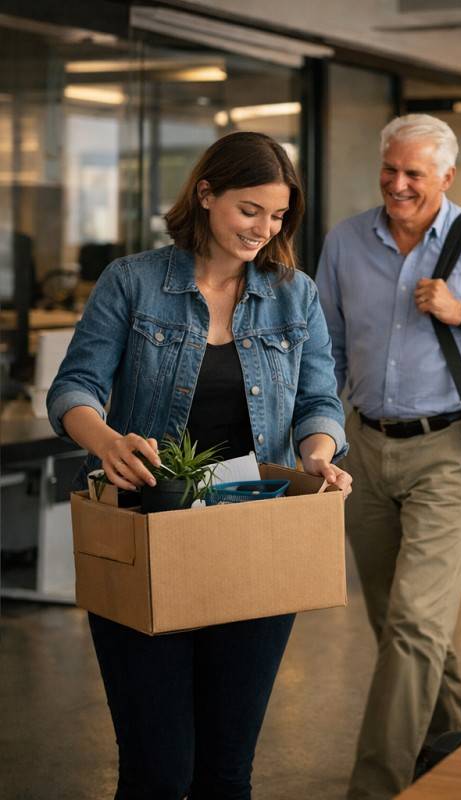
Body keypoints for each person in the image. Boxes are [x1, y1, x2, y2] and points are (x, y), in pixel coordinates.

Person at [47, 131, 351, 796]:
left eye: (277, 217)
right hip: (147, 528)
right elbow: (73, 390)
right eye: (250, 210)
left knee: (226, 769)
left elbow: (319, 399)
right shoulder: (132, 282)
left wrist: (319, 455)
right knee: (157, 770)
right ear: (206, 193)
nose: (263, 229)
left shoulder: (292, 293)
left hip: (254, 534)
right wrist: (106, 443)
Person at [316, 114, 461, 798]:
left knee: (417, 625)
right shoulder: (344, 242)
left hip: (448, 450)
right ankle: (453, 751)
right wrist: (320, 435)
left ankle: (376, 785)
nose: (397, 184)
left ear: (446, 178)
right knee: (398, 622)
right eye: (389, 170)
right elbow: (327, 350)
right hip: (363, 448)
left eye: (414, 173)